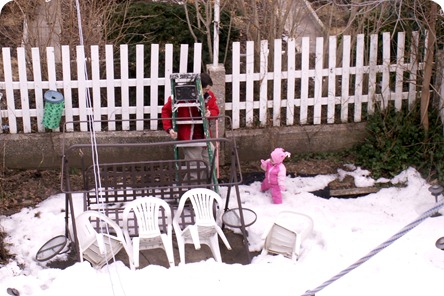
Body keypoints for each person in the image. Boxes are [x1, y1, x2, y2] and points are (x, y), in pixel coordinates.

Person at [161, 73, 220, 178]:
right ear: (198, 86)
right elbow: (166, 111)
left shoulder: (208, 96)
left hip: (204, 137)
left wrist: (210, 113)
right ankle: (191, 189)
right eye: (205, 89)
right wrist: (169, 129)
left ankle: (206, 187)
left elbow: (216, 110)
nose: (208, 91)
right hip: (189, 137)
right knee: (195, 167)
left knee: (211, 163)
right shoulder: (179, 96)